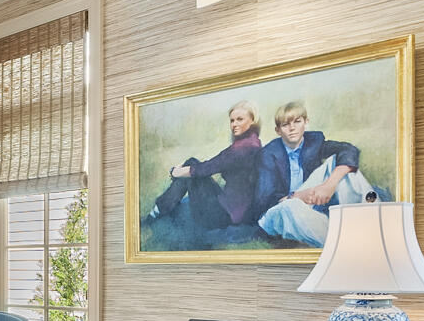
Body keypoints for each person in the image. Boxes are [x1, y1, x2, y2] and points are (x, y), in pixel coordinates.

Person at [254, 101, 373, 246]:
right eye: (285, 125)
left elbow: (349, 150)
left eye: (297, 122)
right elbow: (264, 200)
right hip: (279, 209)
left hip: (311, 204)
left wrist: (329, 185)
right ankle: (345, 243)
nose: (292, 128)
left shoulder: (314, 141)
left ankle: (369, 223)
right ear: (278, 130)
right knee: (290, 207)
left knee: (339, 164)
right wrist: (298, 196)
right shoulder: (268, 154)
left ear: (306, 122)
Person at [142, 101, 264, 236]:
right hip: (237, 210)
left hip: (228, 216)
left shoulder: (243, 148)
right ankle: (161, 209)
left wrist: (175, 172)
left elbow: (207, 167)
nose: (234, 124)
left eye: (240, 119)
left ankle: (156, 212)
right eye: (232, 120)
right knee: (191, 168)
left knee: (191, 166)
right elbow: (219, 165)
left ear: (252, 120)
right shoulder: (253, 142)